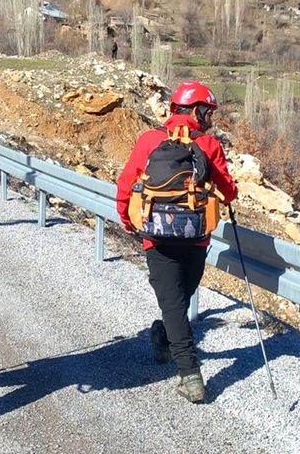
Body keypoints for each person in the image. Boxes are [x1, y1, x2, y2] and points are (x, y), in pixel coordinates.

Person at [116, 80, 237, 404]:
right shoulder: (209, 145)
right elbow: (228, 191)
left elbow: (126, 184)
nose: (210, 119)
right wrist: (226, 191)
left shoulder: (149, 140)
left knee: (174, 304)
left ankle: (163, 337)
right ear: (197, 111)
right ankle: (190, 374)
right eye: (208, 113)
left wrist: (128, 220)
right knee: (176, 301)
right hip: (195, 238)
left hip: (156, 238)